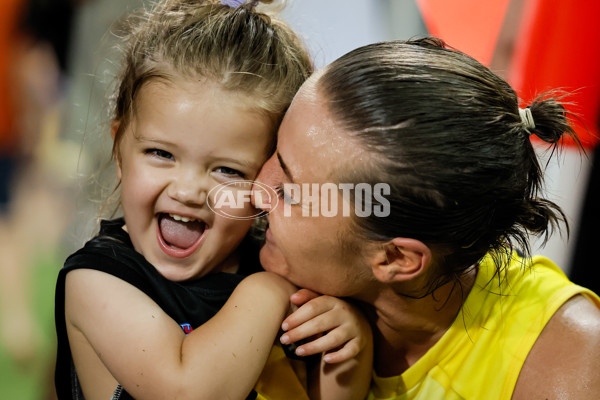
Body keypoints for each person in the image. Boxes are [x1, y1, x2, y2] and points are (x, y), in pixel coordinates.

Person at [54, 1, 373, 399]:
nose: (188, 191)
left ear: (268, 179)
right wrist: (268, 292)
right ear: (119, 148)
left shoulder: (283, 265)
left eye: (229, 171)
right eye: (161, 154)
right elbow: (187, 391)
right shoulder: (98, 281)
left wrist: (347, 348)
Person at [253, 37, 600, 399]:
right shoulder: (235, 258)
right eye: (275, 149)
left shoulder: (564, 369)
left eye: (289, 194)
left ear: (394, 258)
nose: (255, 189)